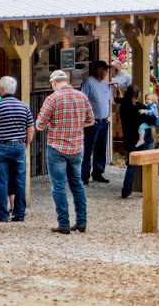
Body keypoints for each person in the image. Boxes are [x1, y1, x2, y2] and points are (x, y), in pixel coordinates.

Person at [36, 70, 95, 234]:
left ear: (54, 83)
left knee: (59, 186)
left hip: (57, 147)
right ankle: (81, 222)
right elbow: (91, 120)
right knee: (77, 185)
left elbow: (39, 124)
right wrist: (76, 127)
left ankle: (63, 223)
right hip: (77, 147)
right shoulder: (81, 97)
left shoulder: (52, 98)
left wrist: (52, 125)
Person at [0, 75, 34, 223]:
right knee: (20, 180)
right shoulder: (24, 106)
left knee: (1, 180)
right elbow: (31, 128)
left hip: (0, 145)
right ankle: (19, 214)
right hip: (19, 145)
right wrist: (26, 143)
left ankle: (2, 214)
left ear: (1, 89)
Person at [120, 85, 158, 199]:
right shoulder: (140, 107)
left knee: (131, 167)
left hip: (129, 139)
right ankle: (148, 189)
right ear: (138, 95)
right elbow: (154, 120)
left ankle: (126, 190)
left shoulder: (123, 107)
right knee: (148, 166)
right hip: (144, 140)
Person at [80, 60, 113, 184]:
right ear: (98, 69)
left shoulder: (105, 84)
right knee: (88, 149)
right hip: (92, 122)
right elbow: (83, 101)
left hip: (104, 121)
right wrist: (88, 118)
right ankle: (84, 175)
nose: (105, 72)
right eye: (104, 69)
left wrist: (109, 116)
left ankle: (98, 173)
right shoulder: (88, 82)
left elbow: (108, 100)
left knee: (101, 148)